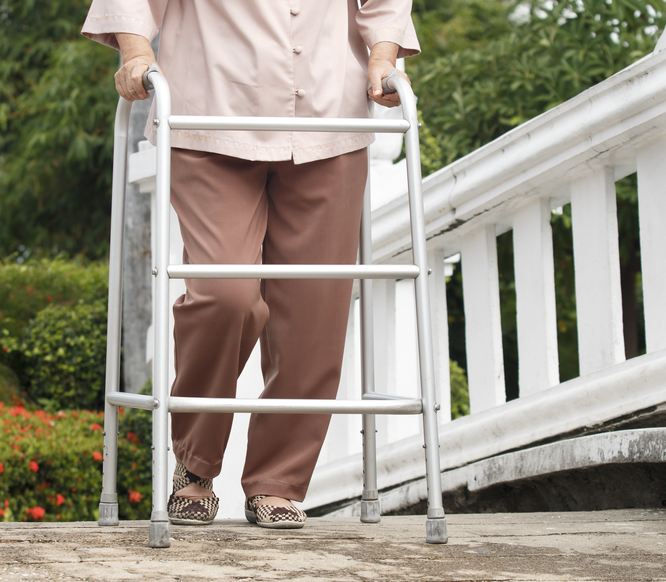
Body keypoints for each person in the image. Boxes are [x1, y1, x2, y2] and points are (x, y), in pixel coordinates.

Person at [83, 0, 420, 528]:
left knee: (314, 315)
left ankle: (277, 481)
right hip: (208, 114)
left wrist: (383, 56)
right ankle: (194, 464)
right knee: (225, 294)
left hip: (330, 114)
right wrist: (136, 51)